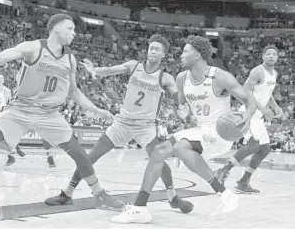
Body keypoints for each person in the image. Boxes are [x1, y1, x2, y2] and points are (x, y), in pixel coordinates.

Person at [0, 14, 124, 216]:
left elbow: (74, 91)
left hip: (49, 114)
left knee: (79, 153)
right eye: (70, 29)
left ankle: (99, 195)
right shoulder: (34, 48)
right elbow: (0, 57)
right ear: (56, 28)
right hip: (20, 109)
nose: (74, 34)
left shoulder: (70, 59)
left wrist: (96, 110)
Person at [111, 35, 256, 224]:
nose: (180, 55)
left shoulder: (219, 76)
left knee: (180, 148)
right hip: (200, 129)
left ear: (197, 55)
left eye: (185, 51)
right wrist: (181, 108)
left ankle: (224, 193)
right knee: (158, 151)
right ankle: (140, 208)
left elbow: (249, 100)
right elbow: (181, 105)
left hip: (219, 133)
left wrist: (247, 116)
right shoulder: (181, 78)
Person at [45, 34, 193, 213]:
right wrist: (95, 70)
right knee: (90, 157)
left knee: (159, 160)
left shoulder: (165, 77)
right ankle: (67, 194)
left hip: (145, 127)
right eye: (151, 48)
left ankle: (173, 197)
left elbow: (177, 95)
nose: (152, 51)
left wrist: (183, 105)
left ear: (163, 55)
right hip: (122, 123)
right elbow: (109, 70)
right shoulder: (133, 66)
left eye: (157, 49)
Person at [216, 45, 283, 194]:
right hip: (249, 112)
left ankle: (243, 182)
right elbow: (245, 91)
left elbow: (268, 93)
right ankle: (223, 170)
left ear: (277, 57)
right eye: (268, 54)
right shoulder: (257, 71)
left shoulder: (274, 73)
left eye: (274, 54)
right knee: (254, 146)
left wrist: (276, 107)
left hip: (258, 115)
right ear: (263, 56)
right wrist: (262, 108)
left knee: (264, 149)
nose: (271, 56)